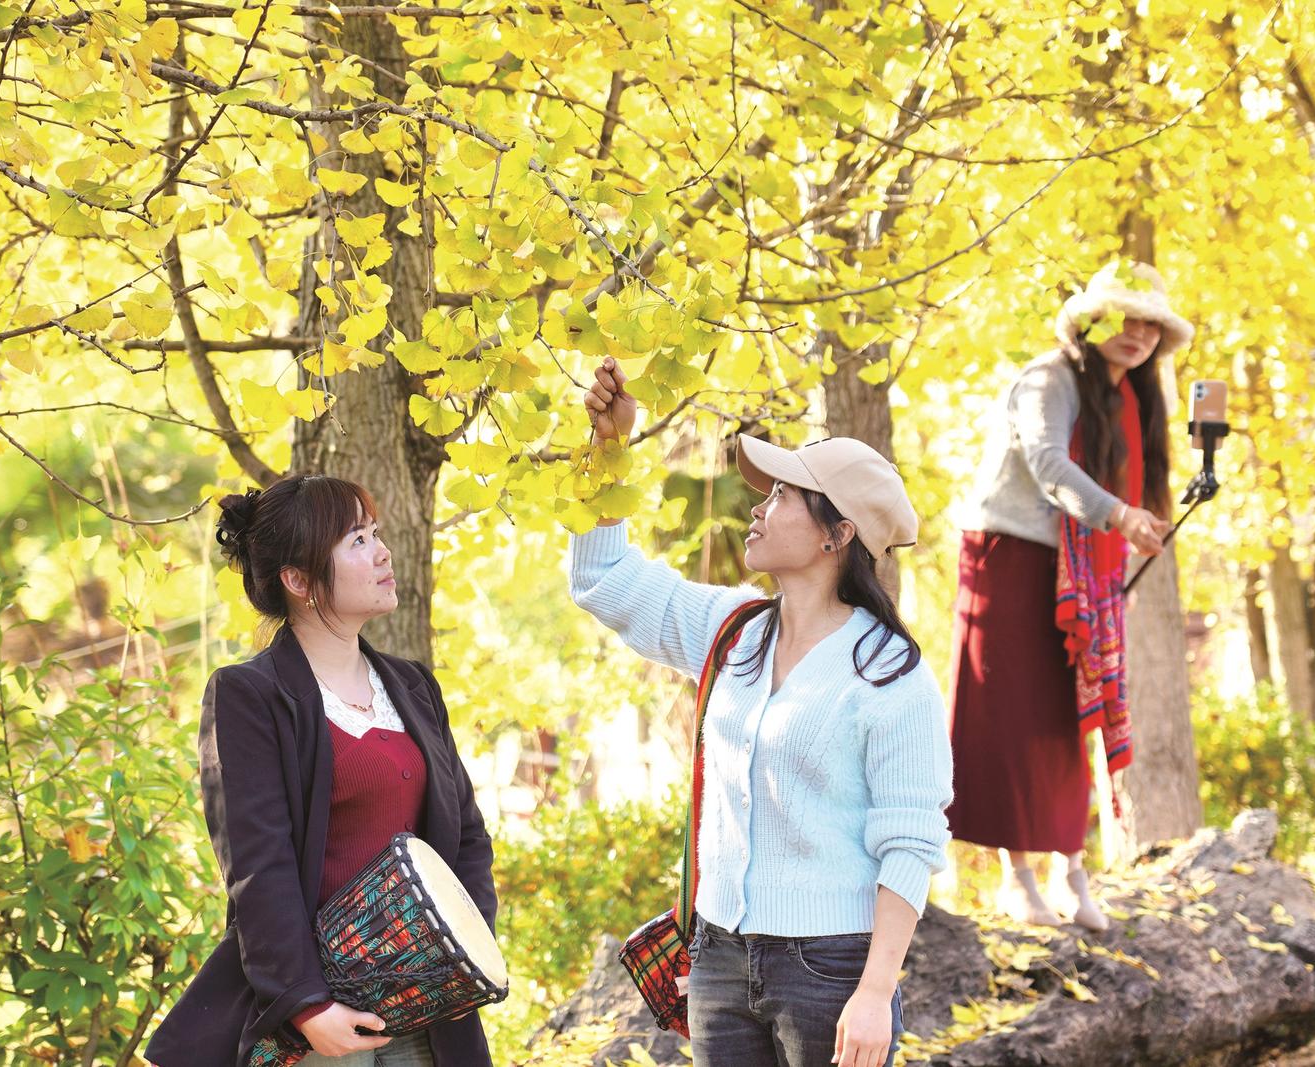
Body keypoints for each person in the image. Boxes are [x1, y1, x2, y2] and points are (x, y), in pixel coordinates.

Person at [570, 358, 953, 1067]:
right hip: (717, 958)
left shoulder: (890, 673)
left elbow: (911, 840)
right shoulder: (733, 631)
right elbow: (603, 579)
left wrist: (875, 992)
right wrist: (608, 449)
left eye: (782, 495)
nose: (757, 507)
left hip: (833, 970)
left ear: (837, 534)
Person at [145, 475, 496, 1067]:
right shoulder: (250, 695)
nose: (383, 552)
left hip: (428, 1006)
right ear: (299, 580)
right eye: (358, 540)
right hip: (319, 1020)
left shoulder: (413, 685)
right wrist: (307, 1005)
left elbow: (466, 837)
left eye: (375, 533)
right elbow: (259, 865)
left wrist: (463, 958)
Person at [946, 260, 1192, 931]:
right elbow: (1048, 463)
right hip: (1010, 556)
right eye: (1124, 317)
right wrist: (1119, 517)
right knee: (1016, 718)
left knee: (1069, 716)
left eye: (1151, 324)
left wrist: (1114, 572)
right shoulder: (1048, 378)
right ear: (1091, 321)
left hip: (1077, 571)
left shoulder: (1128, 401)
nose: (1137, 333)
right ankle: (1016, 876)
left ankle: (1071, 868)